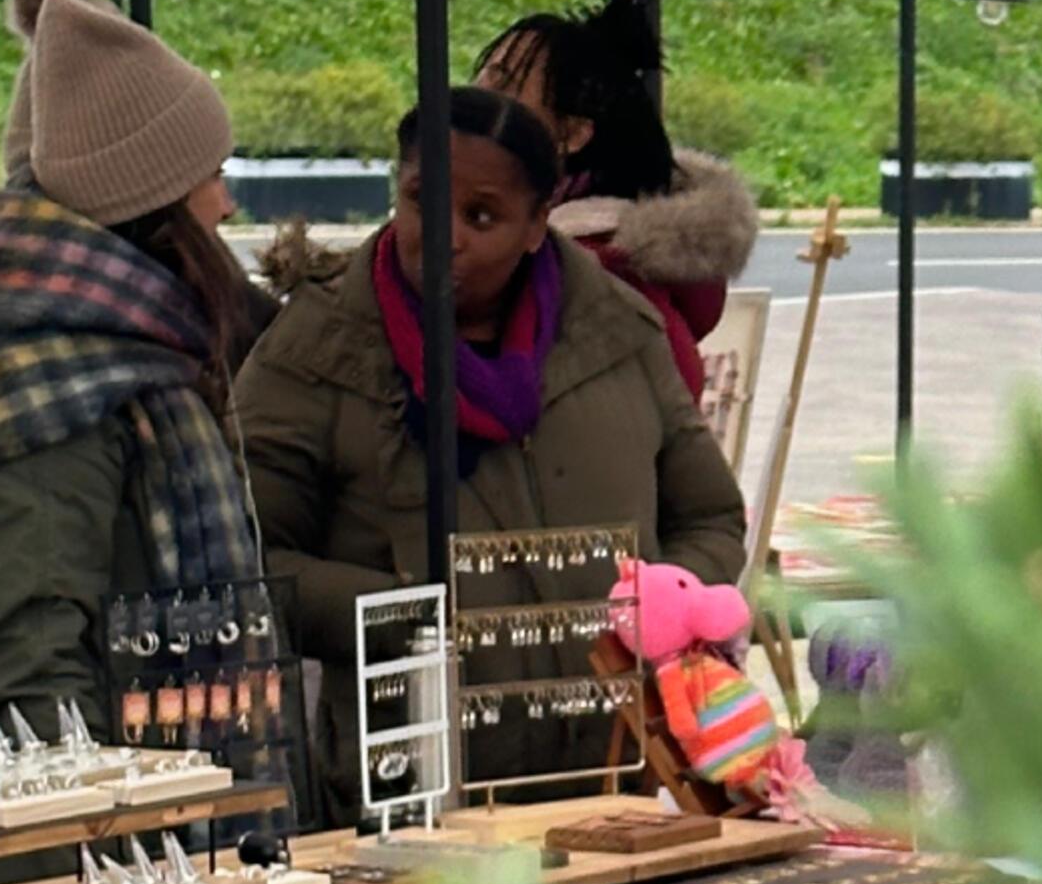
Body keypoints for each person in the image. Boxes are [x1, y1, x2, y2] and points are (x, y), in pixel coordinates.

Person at [235, 87, 746, 824]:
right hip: (413, 809)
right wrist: (400, 618)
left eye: (481, 216)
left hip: (617, 795)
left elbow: (711, 515)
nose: (443, 237)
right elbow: (250, 559)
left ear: (539, 224)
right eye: (420, 201)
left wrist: (667, 606)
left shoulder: (620, 333)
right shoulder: (313, 353)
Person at [0, 0, 260, 736]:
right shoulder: (44, 390)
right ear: (150, 199)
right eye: (213, 173)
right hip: (90, 841)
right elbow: (33, 686)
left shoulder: (113, 356)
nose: (228, 203)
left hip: (137, 818)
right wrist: (116, 841)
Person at [474, 0, 758, 403]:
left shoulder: (594, 286)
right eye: (477, 81)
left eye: (503, 87)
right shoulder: (576, 267)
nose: (469, 102)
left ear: (571, 134)